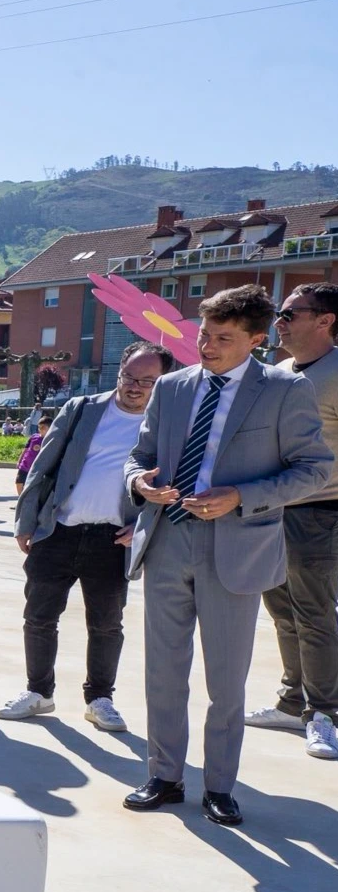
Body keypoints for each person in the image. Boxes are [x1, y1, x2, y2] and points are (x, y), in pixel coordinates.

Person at [124, 285, 332, 826]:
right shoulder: (170, 387)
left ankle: (220, 785)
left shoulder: (286, 389)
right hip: (168, 539)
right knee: (163, 671)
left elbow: (315, 469)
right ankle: (165, 776)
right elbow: (140, 456)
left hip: (238, 544)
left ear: (256, 339)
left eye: (222, 338)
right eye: (202, 334)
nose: (207, 346)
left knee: (226, 678)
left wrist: (241, 495)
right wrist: (140, 483)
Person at [1, 342, 174, 731]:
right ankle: (38, 692)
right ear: (119, 371)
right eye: (130, 376)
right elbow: (42, 467)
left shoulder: (166, 425)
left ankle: (100, 698)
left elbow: (173, 483)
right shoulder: (82, 409)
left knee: (107, 624)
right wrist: (26, 522)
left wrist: (145, 525)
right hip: (58, 531)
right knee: (39, 617)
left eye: (147, 381)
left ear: (161, 383)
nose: (135, 386)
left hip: (114, 540)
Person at [248, 283, 338, 759]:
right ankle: (290, 699)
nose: (278, 321)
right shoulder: (280, 371)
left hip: (320, 512)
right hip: (271, 508)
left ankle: (324, 712)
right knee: (281, 611)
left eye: (289, 313)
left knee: (315, 614)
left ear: (324, 320)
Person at [15, 415, 53, 494]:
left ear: (50, 428)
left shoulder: (51, 440)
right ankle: (20, 500)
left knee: (31, 486)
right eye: (39, 427)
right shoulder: (33, 437)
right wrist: (20, 460)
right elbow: (25, 450)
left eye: (43, 427)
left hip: (37, 468)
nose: (40, 430)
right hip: (25, 465)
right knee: (19, 482)